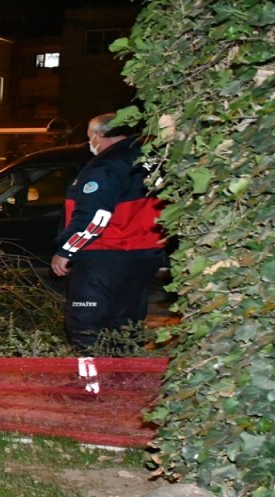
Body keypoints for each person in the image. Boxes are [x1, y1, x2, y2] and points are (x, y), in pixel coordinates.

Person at [50, 113, 167, 354]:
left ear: (99, 136)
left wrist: (66, 250)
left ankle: (90, 387)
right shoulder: (147, 158)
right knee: (125, 325)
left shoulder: (105, 166)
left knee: (86, 326)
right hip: (144, 255)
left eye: (89, 138)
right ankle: (122, 382)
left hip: (104, 256)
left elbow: (95, 217)